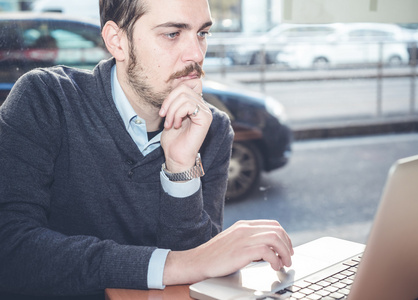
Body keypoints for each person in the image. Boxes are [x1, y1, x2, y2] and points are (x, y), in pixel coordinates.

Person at [0, 0, 294, 299]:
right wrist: (175, 264)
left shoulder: (212, 129)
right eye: (172, 34)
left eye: (202, 34)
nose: (196, 54)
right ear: (118, 41)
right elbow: (10, 249)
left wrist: (181, 168)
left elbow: (195, 279)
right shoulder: (46, 99)